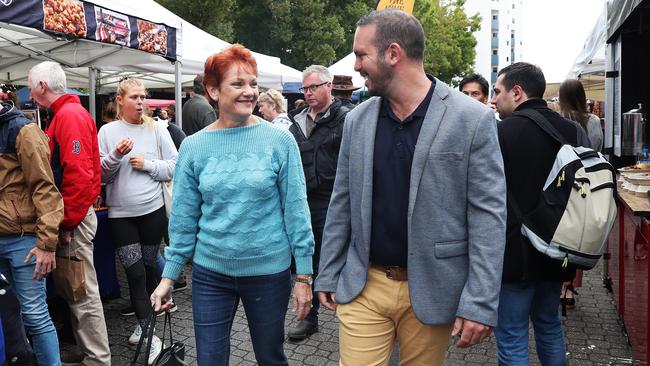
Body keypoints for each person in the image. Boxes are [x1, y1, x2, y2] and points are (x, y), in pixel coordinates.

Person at [314, 9, 507, 365]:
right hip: (364, 285)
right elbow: (342, 201)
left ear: (393, 53)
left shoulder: (472, 119)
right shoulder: (357, 120)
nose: (356, 66)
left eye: (361, 55)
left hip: (433, 288)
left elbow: (488, 216)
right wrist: (327, 271)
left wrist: (480, 301)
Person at [151, 44, 315, 366]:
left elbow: (296, 210)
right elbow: (183, 219)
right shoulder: (194, 148)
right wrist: (169, 276)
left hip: (269, 273)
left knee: (271, 357)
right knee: (210, 360)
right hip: (211, 273)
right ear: (213, 90)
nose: (249, 92)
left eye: (253, 84)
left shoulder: (279, 141)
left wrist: (305, 276)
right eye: (238, 84)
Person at [492, 62, 583, 365]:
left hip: (515, 253)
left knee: (513, 335)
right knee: (548, 325)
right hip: (558, 248)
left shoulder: (502, 133)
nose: (494, 100)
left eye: (498, 92)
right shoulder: (573, 130)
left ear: (517, 92)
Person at [29, 61, 112, 366]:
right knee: (76, 291)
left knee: (83, 293)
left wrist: (65, 222)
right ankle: (89, 350)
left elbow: (78, 176)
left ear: (41, 87)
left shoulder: (69, 116)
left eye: (30, 84)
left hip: (73, 220)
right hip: (73, 217)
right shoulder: (68, 114)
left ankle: (97, 359)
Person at [97, 76, 178, 365]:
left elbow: (174, 165)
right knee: (134, 274)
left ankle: (146, 323)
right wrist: (116, 155)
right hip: (121, 215)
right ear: (119, 100)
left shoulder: (156, 128)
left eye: (143, 97)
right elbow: (101, 176)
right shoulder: (107, 131)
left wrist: (149, 165)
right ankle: (150, 334)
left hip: (152, 212)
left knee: (148, 267)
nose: (141, 102)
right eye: (134, 97)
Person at [286, 65, 352, 341]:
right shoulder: (296, 122)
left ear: (329, 87)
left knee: (339, 257)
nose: (309, 93)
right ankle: (309, 316)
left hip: (336, 200)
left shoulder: (346, 119)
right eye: (305, 88)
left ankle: (351, 316)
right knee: (308, 259)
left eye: (314, 87)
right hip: (303, 200)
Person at [0, 96, 64, 366]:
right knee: (10, 319)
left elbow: (45, 188)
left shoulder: (22, 129)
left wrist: (47, 244)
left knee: (35, 316)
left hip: (23, 240)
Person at [557, 78, 604, 309]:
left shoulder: (558, 120)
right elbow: (596, 148)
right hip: (587, 183)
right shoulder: (592, 120)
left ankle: (558, 282)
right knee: (580, 234)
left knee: (562, 233)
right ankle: (569, 287)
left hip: (562, 183)